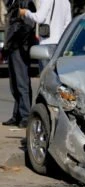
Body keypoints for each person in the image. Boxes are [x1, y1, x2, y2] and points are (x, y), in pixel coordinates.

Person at [2, 0, 36, 128]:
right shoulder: (12, 3)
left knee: (22, 84)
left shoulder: (26, 3)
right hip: (12, 48)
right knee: (14, 84)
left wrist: (15, 43)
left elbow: (28, 26)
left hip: (20, 48)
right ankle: (17, 115)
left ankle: (26, 116)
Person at [19, 0, 72, 72]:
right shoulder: (66, 2)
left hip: (46, 43)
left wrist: (25, 12)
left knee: (45, 77)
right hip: (60, 44)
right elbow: (68, 24)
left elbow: (39, 18)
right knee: (56, 76)